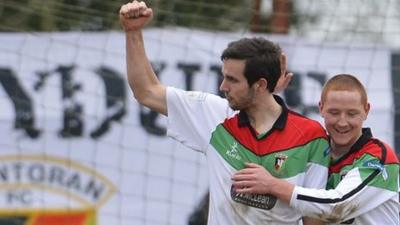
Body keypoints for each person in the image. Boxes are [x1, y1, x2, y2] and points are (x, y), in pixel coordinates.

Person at [119, 1, 331, 224]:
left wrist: (274, 186)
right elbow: (147, 92)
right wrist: (132, 31)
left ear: (260, 85)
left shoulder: (311, 136)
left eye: (232, 80)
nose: (222, 87)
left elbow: (314, 216)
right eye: (224, 76)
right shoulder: (215, 115)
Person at [232, 74, 400, 225]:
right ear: (321, 108)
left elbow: (336, 206)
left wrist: (273, 185)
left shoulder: (378, 157)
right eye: (334, 112)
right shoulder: (315, 150)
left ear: (366, 111)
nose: (342, 122)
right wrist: (266, 95)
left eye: (351, 114)